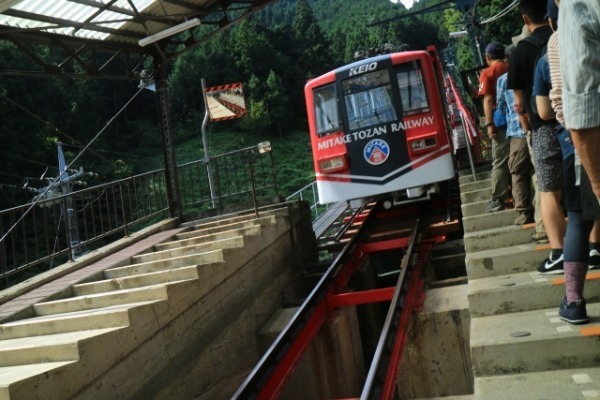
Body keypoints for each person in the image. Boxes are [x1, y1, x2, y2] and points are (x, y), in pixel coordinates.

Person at [556, 0, 600, 323]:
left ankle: (573, 302)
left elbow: (576, 112)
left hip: (584, 143)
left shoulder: (570, 16)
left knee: (578, 218)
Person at [508, 0, 559, 247]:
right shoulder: (560, 37)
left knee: (545, 184)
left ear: (525, 19)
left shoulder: (518, 52)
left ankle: (550, 237)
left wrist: (527, 129)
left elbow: (518, 103)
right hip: (572, 118)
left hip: (540, 125)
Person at [496, 47, 534, 225]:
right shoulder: (531, 71)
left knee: (518, 172)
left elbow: (501, 107)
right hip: (536, 128)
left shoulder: (503, 80)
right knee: (538, 170)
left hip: (517, 133)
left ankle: (524, 211)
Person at [478, 42, 510, 213]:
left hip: (501, 122)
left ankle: (498, 199)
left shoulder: (487, 73)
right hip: (519, 118)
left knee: (499, 161)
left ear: (488, 57)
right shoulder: (511, 66)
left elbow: (488, 100)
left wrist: (489, 124)